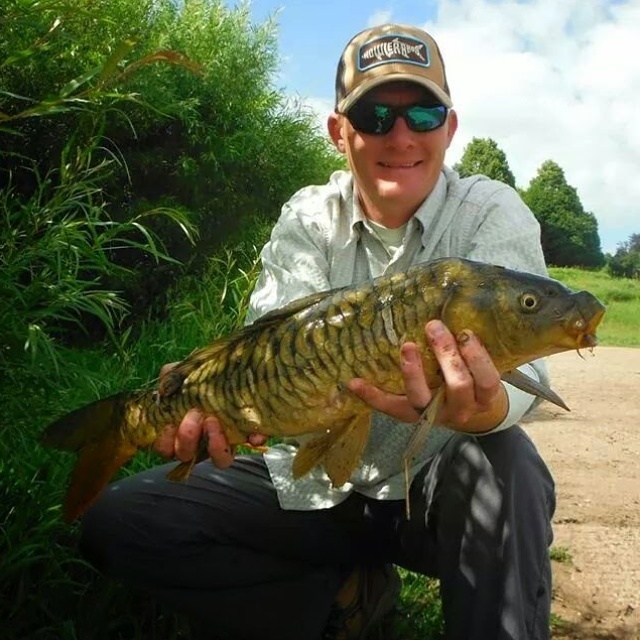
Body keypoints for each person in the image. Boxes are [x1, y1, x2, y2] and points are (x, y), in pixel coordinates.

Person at [79, 23, 556, 640]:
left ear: (451, 126)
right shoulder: (308, 216)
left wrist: (488, 407)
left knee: (509, 463)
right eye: (376, 114)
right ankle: (341, 602)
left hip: (431, 496)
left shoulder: (489, 212)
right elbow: (267, 363)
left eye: (424, 113)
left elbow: (530, 379)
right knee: (117, 522)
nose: (402, 136)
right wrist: (212, 416)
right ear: (340, 131)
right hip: (311, 488)